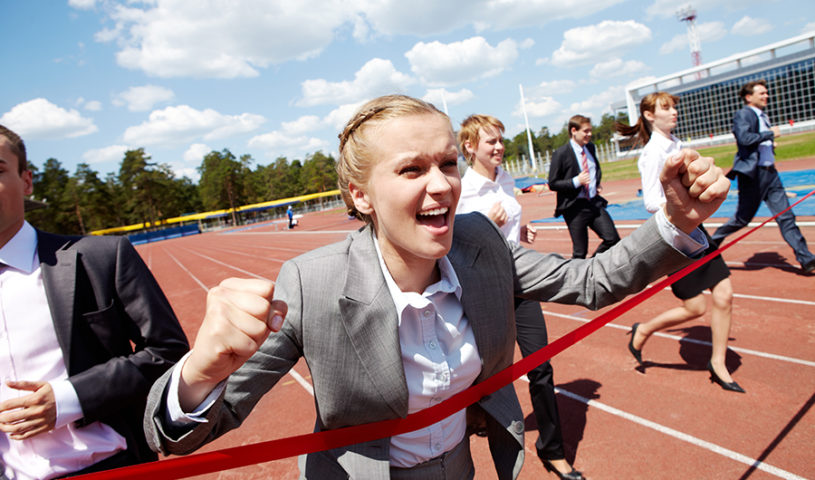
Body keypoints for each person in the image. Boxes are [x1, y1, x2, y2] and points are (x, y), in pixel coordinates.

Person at [144, 95, 729, 479]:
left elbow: (595, 281)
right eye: (410, 169)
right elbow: (179, 436)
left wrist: (676, 219)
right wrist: (202, 370)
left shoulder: (482, 244)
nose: (443, 185)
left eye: (447, 164)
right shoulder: (311, 283)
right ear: (360, 196)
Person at [0, 124, 190, 479]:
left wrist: (70, 398)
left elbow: (167, 350)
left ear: (26, 181)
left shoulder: (101, 258)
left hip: (109, 467)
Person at [456, 114, 583, 479]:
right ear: (470, 146)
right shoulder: (462, 191)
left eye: (501, 139)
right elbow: (455, 248)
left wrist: (518, 229)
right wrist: (488, 227)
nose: (499, 146)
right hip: (484, 291)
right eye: (491, 141)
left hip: (520, 283)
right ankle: (472, 424)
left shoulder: (506, 179)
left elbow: (507, 221)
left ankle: (552, 450)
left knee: (541, 366)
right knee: (482, 374)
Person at [616, 93, 743, 393]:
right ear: (649, 115)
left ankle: (718, 363)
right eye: (666, 108)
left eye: (674, 107)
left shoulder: (677, 144)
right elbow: (650, 201)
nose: (674, 112)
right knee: (695, 307)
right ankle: (643, 329)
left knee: (724, 294)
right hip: (676, 237)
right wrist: (681, 204)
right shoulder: (652, 153)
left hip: (697, 230)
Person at [711, 80, 815, 274]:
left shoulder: (762, 115)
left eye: (766, 93)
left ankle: (807, 259)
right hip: (753, 175)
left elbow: (756, 140)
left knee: (786, 216)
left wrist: (769, 144)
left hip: (770, 173)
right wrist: (769, 135)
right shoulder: (744, 114)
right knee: (742, 219)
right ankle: (709, 246)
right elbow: (744, 139)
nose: (766, 96)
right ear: (749, 97)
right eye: (762, 93)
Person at [548, 115, 620, 259]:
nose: (589, 134)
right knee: (580, 252)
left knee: (612, 239)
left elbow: (595, 169)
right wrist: (576, 181)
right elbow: (553, 183)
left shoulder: (590, 148)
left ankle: (592, 266)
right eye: (586, 131)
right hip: (574, 207)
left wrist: (596, 183)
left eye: (590, 130)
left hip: (593, 202)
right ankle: (578, 272)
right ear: (574, 131)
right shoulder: (561, 153)